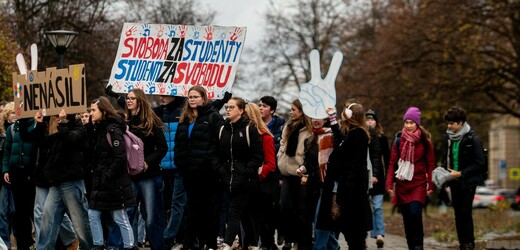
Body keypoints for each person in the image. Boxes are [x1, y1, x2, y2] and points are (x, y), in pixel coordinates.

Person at [174, 86, 223, 250]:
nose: (192, 99)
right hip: (188, 173)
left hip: (207, 174)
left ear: (204, 98)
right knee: (192, 210)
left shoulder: (213, 117)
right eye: (190, 96)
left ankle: (209, 244)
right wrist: (180, 164)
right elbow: (179, 145)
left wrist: (209, 163)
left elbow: (219, 143)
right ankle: (191, 244)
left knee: (209, 210)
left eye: (195, 96)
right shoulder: (185, 119)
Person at [86, 96, 138, 249]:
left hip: (115, 183)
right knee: (93, 214)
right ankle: (98, 245)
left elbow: (120, 157)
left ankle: (129, 246)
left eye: (93, 110)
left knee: (120, 217)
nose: (91, 113)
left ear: (103, 111)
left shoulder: (113, 130)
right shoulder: (98, 129)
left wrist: (108, 175)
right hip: (101, 181)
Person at [37, 109, 93, 250]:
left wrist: (63, 123)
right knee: (47, 220)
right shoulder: (58, 127)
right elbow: (44, 144)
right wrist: (39, 125)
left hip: (72, 182)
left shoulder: (79, 127)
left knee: (80, 223)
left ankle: (90, 248)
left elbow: (71, 140)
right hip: (56, 182)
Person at [386, 107, 435, 250]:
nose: (408, 125)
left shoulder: (425, 141)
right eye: (406, 122)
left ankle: (418, 245)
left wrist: (431, 185)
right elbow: (392, 163)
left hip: (418, 183)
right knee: (407, 218)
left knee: (415, 213)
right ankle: (411, 246)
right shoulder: (398, 141)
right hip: (402, 184)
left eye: (411, 123)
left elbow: (431, 164)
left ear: (417, 124)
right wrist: (389, 184)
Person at [217, 97, 263, 250]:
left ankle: (227, 243)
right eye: (227, 106)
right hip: (228, 179)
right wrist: (221, 170)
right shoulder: (223, 129)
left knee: (234, 211)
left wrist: (246, 172)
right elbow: (219, 154)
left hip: (245, 180)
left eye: (232, 107)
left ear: (241, 110)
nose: (228, 110)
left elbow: (257, 156)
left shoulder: (249, 129)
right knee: (245, 213)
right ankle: (254, 244)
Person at [124, 88, 168, 250]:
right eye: (127, 98)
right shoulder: (125, 123)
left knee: (151, 217)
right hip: (130, 176)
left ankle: (157, 247)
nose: (128, 101)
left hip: (149, 176)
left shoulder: (152, 122)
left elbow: (162, 148)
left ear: (140, 101)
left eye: (132, 98)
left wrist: (148, 162)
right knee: (128, 214)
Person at [325, 102, 372, 249]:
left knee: (354, 232)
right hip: (347, 188)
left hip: (353, 191)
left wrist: (348, 187)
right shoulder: (351, 133)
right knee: (349, 231)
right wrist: (332, 119)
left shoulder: (359, 134)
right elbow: (340, 143)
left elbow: (356, 164)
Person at [32, 112, 78, 250]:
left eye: (60, 117)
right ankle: (42, 245)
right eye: (56, 117)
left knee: (55, 212)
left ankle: (71, 238)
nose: (58, 119)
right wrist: (39, 124)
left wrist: (65, 122)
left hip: (57, 178)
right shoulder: (45, 130)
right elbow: (35, 140)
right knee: (40, 212)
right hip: (43, 176)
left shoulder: (68, 131)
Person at [441, 106, 486, 250]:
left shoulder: (472, 139)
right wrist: (441, 173)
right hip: (453, 181)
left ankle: (469, 244)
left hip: (468, 182)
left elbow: (480, 163)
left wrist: (461, 173)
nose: (448, 126)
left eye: (451, 123)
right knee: (458, 214)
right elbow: (446, 159)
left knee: (465, 212)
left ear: (460, 122)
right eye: (448, 123)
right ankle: (462, 244)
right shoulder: (447, 137)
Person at [276, 99, 312, 250]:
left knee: (300, 210)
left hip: (301, 175)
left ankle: (298, 240)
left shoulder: (309, 130)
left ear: (302, 111)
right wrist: (280, 159)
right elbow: (282, 144)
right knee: (284, 207)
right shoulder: (288, 126)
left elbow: (310, 151)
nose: (291, 112)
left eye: (293, 109)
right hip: (286, 173)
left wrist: (305, 169)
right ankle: (286, 238)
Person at [152, 94, 187, 249]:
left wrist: (222, 100)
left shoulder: (184, 110)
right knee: (165, 205)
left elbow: (209, 110)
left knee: (177, 204)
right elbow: (139, 111)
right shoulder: (158, 111)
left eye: (164, 95)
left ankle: (173, 238)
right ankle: (176, 238)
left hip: (179, 166)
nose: (161, 97)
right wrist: (117, 97)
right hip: (163, 167)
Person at [241, 103, 276, 250]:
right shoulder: (241, 133)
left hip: (261, 185)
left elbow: (271, 163)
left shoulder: (265, 136)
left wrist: (258, 174)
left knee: (260, 220)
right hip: (244, 182)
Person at [301, 117, 338, 250]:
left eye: (318, 118)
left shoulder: (332, 136)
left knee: (320, 220)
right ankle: (334, 246)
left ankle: (319, 247)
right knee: (317, 220)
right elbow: (309, 163)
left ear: (325, 119)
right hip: (313, 185)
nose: (315, 120)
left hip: (328, 184)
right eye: (312, 118)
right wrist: (303, 168)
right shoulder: (309, 140)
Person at [2, 114, 38, 250]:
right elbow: (7, 151)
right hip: (15, 173)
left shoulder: (36, 125)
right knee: (19, 212)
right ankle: (23, 244)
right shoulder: (12, 129)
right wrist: (5, 170)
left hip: (30, 174)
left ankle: (38, 241)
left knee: (33, 209)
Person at [258, 96, 286, 249]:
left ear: (272, 110)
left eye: (264, 106)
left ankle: (280, 233)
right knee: (262, 211)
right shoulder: (255, 125)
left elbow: (283, 152)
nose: (261, 108)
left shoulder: (281, 126)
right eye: (259, 105)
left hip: (275, 172)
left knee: (275, 208)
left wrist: (281, 175)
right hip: (260, 171)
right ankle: (266, 242)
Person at [366, 109, 390, 248]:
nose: (370, 121)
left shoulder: (382, 138)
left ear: (376, 122)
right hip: (364, 175)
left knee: (377, 207)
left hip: (378, 176)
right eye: (367, 119)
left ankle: (379, 234)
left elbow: (387, 159)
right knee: (364, 207)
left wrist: (389, 179)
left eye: (372, 119)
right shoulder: (362, 135)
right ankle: (363, 234)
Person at [0, 103, 15, 248]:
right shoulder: (4, 132)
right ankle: (5, 241)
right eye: (11, 112)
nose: (14, 115)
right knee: (3, 211)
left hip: (15, 175)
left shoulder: (17, 129)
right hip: (4, 177)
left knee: (14, 210)